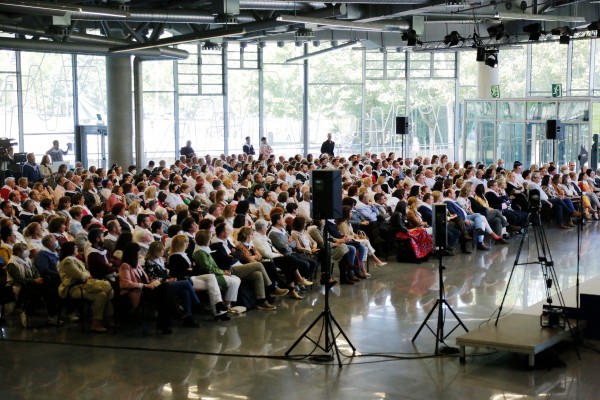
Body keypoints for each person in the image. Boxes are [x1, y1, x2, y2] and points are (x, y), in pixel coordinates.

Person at [58, 242, 114, 333]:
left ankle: (97, 322)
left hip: (84, 285)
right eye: (75, 247)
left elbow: (86, 274)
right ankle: (108, 318)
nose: (77, 248)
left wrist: (86, 275)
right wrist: (87, 274)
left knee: (102, 295)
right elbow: (80, 276)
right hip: (73, 288)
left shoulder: (75, 260)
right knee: (107, 285)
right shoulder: (67, 261)